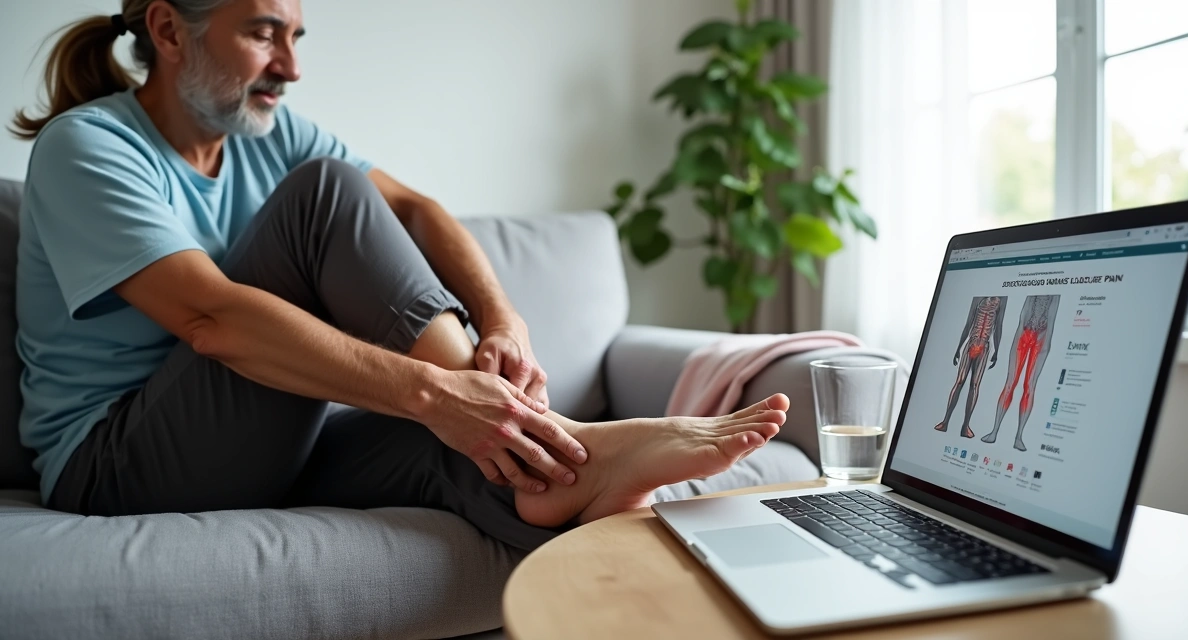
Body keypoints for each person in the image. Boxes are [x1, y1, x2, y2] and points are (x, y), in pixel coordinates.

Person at [10, 0, 787, 551]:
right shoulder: (90, 147)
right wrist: (441, 393)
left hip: (258, 437)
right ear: (169, 29)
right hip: (116, 461)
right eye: (263, 33)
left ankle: (578, 490)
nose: (292, 66)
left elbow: (417, 209)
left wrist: (503, 325)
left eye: (297, 35)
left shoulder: (262, 132)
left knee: (452, 453)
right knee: (325, 195)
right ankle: (562, 440)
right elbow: (211, 320)